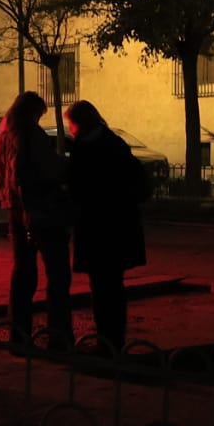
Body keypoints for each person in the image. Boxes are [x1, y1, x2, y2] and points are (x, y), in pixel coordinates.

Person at [0, 91, 73, 351]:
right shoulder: (31, 136)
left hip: (14, 210)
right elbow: (45, 170)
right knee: (58, 273)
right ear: (32, 112)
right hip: (41, 209)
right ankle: (58, 336)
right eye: (39, 114)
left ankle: (18, 333)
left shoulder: (0, 139)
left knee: (22, 273)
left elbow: (0, 177)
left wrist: (11, 201)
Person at [63, 100, 149, 352]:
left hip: (98, 226)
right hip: (118, 226)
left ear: (79, 123)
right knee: (112, 285)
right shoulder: (114, 143)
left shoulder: (85, 148)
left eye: (71, 124)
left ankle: (107, 341)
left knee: (102, 287)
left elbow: (77, 185)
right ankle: (114, 338)